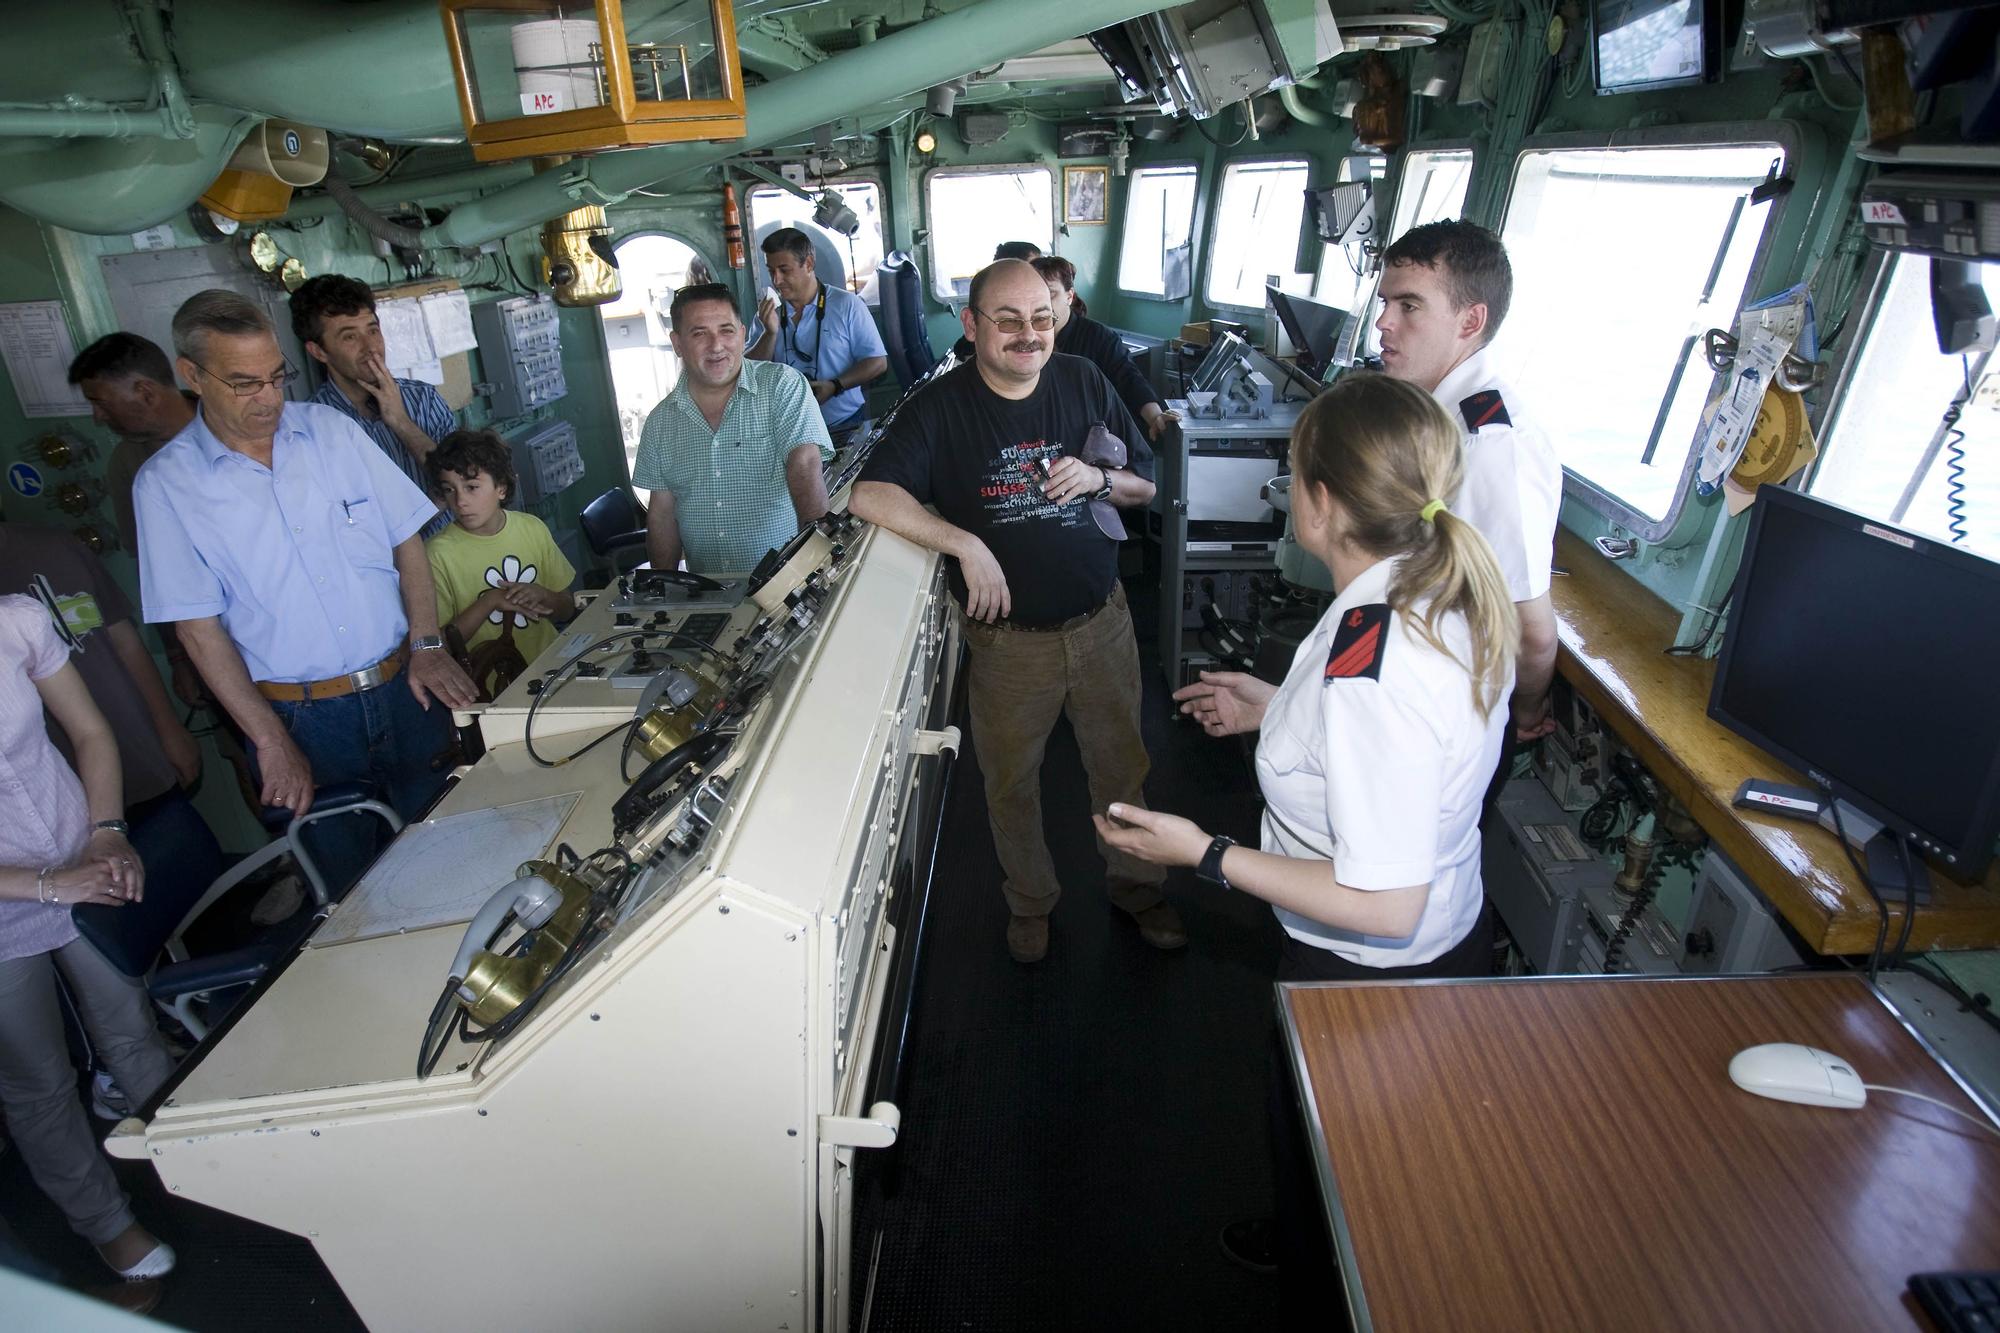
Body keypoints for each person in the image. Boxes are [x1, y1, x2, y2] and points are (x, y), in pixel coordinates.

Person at [1100, 374, 1519, 1311]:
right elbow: (1373, 739)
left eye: (1294, 473)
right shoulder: (1417, 582)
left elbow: (1383, 899)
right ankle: (1301, 1231)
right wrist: (1274, 705)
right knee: (1311, 1145)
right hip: (1430, 942)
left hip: (1373, 973)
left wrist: (1201, 852)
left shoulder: (1382, 663)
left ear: (1321, 502)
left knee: (1361, 1198)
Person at [850, 258, 1185, 963]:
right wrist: (963, 542)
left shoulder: (1085, 380)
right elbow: (869, 494)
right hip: (1009, 645)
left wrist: (1099, 477)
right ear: (972, 326)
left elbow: (1144, 489)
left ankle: (1137, 886)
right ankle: (1030, 901)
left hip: (1102, 623)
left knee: (1122, 767)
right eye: (1007, 320)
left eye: (1041, 318)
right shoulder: (940, 407)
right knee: (1010, 782)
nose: (1028, 335)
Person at [132, 290, 477, 893]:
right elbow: (198, 628)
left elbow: (406, 541)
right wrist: (268, 738)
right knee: (350, 892)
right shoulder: (165, 486)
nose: (269, 399)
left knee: (454, 851)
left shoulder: (331, 432)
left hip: (406, 688)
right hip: (303, 721)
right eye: (243, 383)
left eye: (275, 377)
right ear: (191, 375)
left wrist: (427, 643)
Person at [0, 593, 179, 1288]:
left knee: (131, 1025)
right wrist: (51, 885)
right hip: (11, 902)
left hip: (80, 849)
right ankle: (108, 1224)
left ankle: (199, 1166)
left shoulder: (16, 618)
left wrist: (107, 829)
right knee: (38, 1080)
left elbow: (90, 732)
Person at [1373, 220, 1560, 744]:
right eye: (1385, 303)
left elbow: (1532, 632)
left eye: (1408, 307)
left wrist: (1523, 716)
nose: (1383, 323)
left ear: (1470, 320)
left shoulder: (1491, 448)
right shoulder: (1439, 416)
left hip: (1457, 721)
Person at [635, 282, 833, 577]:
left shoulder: (782, 386)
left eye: (726, 330)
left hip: (783, 581)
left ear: (742, 335)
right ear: (677, 344)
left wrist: (817, 565)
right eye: (699, 333)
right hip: (707, 592)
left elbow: (804, 466)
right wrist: (664, 588)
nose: (716, 345)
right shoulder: (659, 423)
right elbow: (662, 515)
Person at [66, 333, 202, 705]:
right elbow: (153, 572)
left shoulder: (232, 429)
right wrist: (180, 660)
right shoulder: (129, 464)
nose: (97, 417)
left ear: (144, 391)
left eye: (100, 402)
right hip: (205, 639)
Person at [291, 274, 458, 539]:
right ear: (318, 352)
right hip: (389, 572)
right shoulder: (311, 427)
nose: (371, 348)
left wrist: (402, 422)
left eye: (373, 330)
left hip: (453, 553)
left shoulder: (422, 397)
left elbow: (461, 482)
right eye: (349, 337)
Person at [426, 428, 576, 698]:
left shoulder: (532, 529)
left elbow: (566, 609)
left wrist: (545, 596)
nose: (460, 501)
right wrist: (490, 601)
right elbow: (441, 646)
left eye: (472, 487)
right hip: (491, 689)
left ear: (501, 488)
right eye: (450, 490)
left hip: (554, 671)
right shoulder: (437, 554)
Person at [748, 228, 888, 447]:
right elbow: (750, 373)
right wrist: (770, 333)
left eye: (784, 270)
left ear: (809, 264)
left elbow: (878, 363)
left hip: (845, 425)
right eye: (771, 270)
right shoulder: (768, 314)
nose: (777, 280)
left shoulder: (847, 306)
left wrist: (835, 385)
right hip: (790, 430)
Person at [1033, 256, 1176, 441]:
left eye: (1051, 294)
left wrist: (1155, 417)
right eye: (1036, 295)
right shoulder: (1027, 337)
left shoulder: (1099, 337)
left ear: (1069, 296)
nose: (1042, 304)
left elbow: (1130, 379)